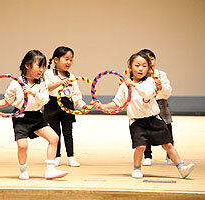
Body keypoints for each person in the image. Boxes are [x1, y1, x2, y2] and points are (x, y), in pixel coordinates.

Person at [94, 51, 195, 179]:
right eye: (137, 65)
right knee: (140, 146)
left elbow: (147, 94)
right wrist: (102, 106)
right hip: (137, 122)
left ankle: (181, 168)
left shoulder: (151, 82)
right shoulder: (125, 85)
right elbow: (117, 102)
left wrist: (134, 85)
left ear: (149, 68)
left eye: (144, 65)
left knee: (167, 145)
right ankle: (136, 169)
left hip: (154, 119)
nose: (140, 68)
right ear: (130, 67)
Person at [0, 50, 68, 180]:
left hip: (37, 117)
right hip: (21, 118)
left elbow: (45, 100)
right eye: (38, 66)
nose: (41, 70)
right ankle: (23, 170)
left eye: (43, 67)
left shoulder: (42, 82)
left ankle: (50, 170)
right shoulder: (16, 82)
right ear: (27, 66)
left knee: (54, 138)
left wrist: (33, 93)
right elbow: (7, 100)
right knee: (22, 146)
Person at [43, 46, 87, 167]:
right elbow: (46, 88)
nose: (69, 62)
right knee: (55, 134)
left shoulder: (71, 76)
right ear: (56, 60)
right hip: (52, 105)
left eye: (71, 59)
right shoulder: (48, 73)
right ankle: (56, 156)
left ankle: (70, 157)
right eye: (66, 59)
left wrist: (82, 106)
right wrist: (60, 83)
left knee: (68, 133)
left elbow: (76, 94)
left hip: (67, 105)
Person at [138, 49, 174, 166]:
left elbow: (166, 93)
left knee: (167, 129)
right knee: (146, 130)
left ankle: (170, 156)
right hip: (146, 105)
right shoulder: (140, 75)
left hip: (161, 105)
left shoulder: (161, 74)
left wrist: (158, 90)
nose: (150, 62)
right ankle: (147, 155)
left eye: (151, 59)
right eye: (146, 60)